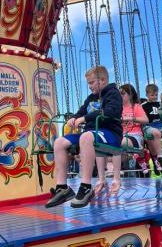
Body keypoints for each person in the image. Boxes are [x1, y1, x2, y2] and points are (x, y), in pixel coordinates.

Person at [45, 65, 122, 208]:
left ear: (102, 80)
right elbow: (81, 111)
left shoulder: (113, 93)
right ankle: (62, 188)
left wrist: (85, 118)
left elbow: (111, 111)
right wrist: (74, 118)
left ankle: (86, 186)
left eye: (91, 82)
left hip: (110, 132)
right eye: (88, 83)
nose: (89, 86)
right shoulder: (91, 98)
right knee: (59, 142)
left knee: (86, 137)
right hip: (91, 133)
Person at [105, 84, 149, 192]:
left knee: (121, 143)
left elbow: (145, 120)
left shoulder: (136, 107)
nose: (120, 96)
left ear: (130, 95)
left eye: (123, 93)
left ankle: (116, 169)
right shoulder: (116, 109)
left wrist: (131, 118)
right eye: (119, 94)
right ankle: (114, 168)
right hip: (120, 134)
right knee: (104, 145)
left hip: (134, 135)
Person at [141, 84, 162, 175]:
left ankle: (158, 161)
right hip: (149, 126)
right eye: (152, 95)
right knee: (150, 140)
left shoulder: (159, 104)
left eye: (156, 95)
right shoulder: (143, 106)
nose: (154, 97)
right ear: (147, 95)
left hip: (159, 125)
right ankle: (156, 162)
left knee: (154, 138)